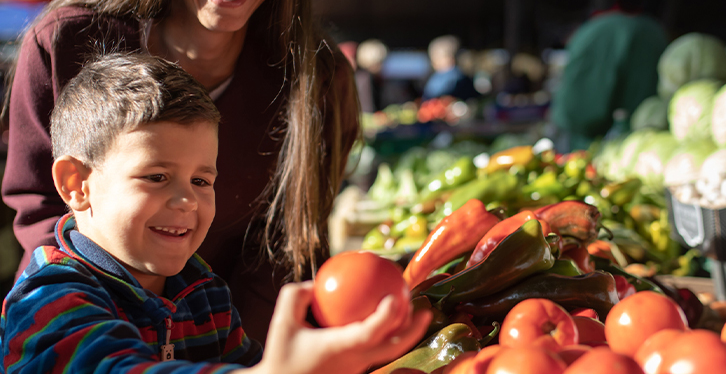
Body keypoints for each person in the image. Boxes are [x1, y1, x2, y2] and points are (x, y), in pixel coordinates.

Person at [1, 0, 360, 342]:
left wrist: (237, 356)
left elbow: (285, 248)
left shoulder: (318, 78)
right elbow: (43, 213)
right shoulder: (64, 41)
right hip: (85, 332)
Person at [0, 54, 428, 374]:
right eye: (156, 176)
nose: (187, 201)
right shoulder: (49, 300)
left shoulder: (204, 291)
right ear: (77, 184)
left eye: (202, 182)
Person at [550, 8, 669, 152]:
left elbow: (578, 109)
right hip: (649, 137)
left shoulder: (595, 32)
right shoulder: (652, 29)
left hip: (593, 143)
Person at [422, 35, 478, 101]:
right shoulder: (465, 77)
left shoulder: (442, 78)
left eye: (435, 59)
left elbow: (428, 99)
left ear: (449, 58)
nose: (432, 63)